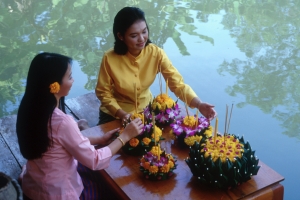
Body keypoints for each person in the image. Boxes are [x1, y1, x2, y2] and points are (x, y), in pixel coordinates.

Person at [16, 52, 143, 200]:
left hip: (33, 186)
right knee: (105, 187)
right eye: (69, 77)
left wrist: (100, 139)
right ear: (54, 86)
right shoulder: (62, 122)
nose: (73, 80)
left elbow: (59, 143)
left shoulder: (30, 109)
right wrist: (125, 136)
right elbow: (95, 161)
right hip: (58, 194)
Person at [95, 6, 217, 125]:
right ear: (120, 36)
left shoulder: (156, 53)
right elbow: (103, 92)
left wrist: (199, 104)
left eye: (144, 31)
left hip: (146, 111)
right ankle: (84, 126)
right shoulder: (109, 58)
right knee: (110, 143)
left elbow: (177, 84)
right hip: (115, 113)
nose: (141, 39)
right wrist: (122, 114)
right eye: (134, 36)